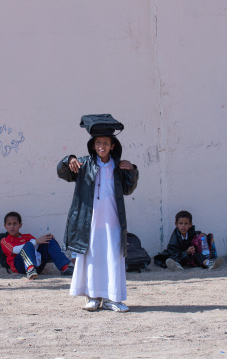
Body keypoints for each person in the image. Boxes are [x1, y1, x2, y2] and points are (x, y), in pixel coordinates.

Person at [57, 114, 139, 312]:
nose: (101, 146)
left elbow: (128, 189)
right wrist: (68, 159)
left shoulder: (118, 167)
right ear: (93, 146)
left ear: (112, 146)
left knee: (112, 258)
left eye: (106, 143)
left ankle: (113, 299)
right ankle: (93, 297)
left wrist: (132, 171)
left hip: (113, 221)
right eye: (98, 143)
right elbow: (63, 173)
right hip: (91, 221)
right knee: (92, 258)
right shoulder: (83, 165)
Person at [0, 211, 73, 279]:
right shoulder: (5, 240)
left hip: (36, 266)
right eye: (9, 224)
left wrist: (46, 239)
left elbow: (36, 247)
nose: (12, 226)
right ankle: (30, 269)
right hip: (19, 266)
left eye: (15, 224)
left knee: (49, 241)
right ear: (5, 226)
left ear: (20, 225)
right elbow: (14, 250)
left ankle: (64, 268)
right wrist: (35, 242)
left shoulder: (27, 236)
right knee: (28, 244)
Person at [155, 210, 222, 271]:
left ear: (190, 224)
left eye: (186, 223)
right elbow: (173, 251)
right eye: (180, 223)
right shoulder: (174, 238)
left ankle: (209, 263)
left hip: (190, 256)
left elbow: (196, 234)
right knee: (172, 258)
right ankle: (177, 266)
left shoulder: (191, 232)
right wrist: (186, 252)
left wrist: (201, 235)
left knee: (198, 256)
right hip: (179, 256)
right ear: (176, 224)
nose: (183, 226)